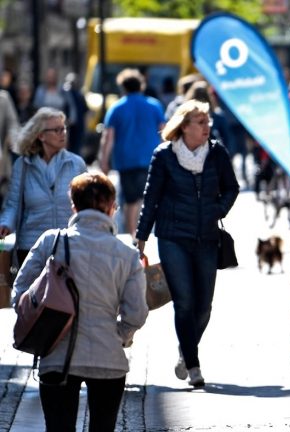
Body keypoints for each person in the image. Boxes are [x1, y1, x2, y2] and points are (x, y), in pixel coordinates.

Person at [11, 171, 148, 432]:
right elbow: (137, 313)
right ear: (111, 207)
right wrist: (118, 335)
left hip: (56, 355)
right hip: (108, 359)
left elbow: (20, 294)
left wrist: (45, 326)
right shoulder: (127, 255)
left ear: (73, 205)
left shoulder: (51, 241)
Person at [135, 100, 239, 388]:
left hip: (207, 236)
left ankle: (186, 348)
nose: (208, 127)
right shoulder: (164, 155)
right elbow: (151, 199)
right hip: (172, 237)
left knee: (204, 306)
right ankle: (193, 366)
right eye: (201, 122)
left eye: (208, 122)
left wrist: (217, 210)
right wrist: (140, 238)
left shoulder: (217, 153)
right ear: (184, 126)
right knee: (184, 302)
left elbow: (232, 187)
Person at [0, 108, 87, 265]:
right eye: (56, 129)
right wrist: (5, 224)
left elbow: (87, 206)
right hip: (31, 248)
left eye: (64, 128)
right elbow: (13, 203)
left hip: (67, 247)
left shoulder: (76, 164)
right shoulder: (23, 165)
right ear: (40, 136)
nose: (63, 133)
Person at [99, 68, 165, 238]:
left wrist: (104, 160)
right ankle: (147, 234)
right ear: (141, 85)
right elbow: (164, 131)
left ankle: (133, 236)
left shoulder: (116, 108)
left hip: (126, 159)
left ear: (123, 87)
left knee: (130, 200)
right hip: (151, 158)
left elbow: (109, 137)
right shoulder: (154, 105)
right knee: (148, 197)